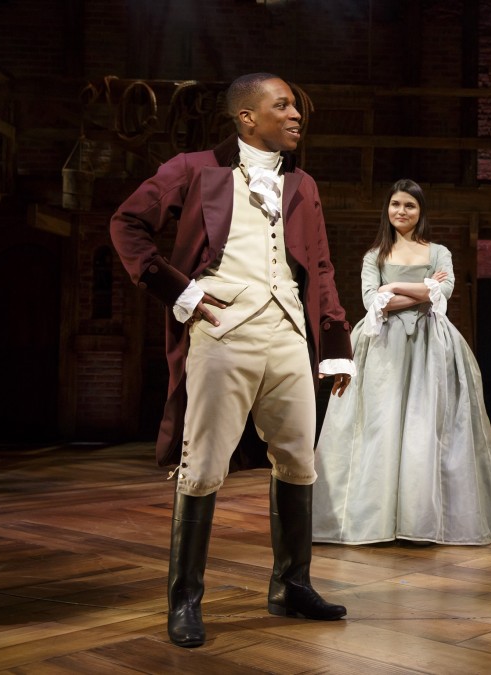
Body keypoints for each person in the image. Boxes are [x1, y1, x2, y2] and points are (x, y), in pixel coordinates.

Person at [109, 73, 353, 648]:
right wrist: (179, 290)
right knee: (203, 463)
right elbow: (127, 223)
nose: (295, 114)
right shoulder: (194, 169)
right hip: (222, 330)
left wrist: (335, 345)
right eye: (282, 105)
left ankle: (292, 586)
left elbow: (320, 266)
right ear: (247, 117)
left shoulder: (303, 185)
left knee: (299, 460)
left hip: (288, 333)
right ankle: (185, 600)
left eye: (295, 105)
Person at [312, 179, 491, 546]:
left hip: (430, 344)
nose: (401, 211)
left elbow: (444, 292)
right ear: (387, 209)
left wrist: (392, 288)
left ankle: (420, 518)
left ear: (420, 211)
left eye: (409, 205)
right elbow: (372, 301)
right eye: (396, 204)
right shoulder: (374, 256)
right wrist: (420, 289)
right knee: (380, 424)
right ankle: (375, 519)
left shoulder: (438, 252)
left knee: (425, 425)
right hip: (383, 345)